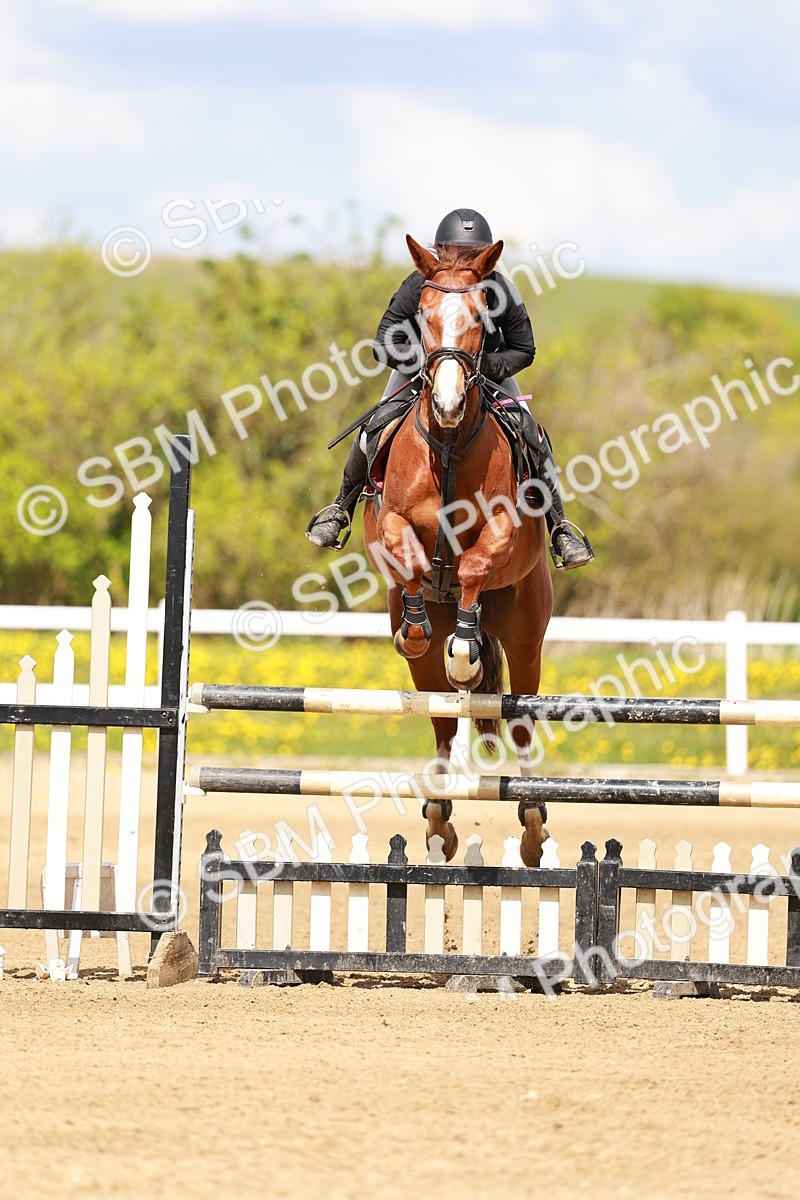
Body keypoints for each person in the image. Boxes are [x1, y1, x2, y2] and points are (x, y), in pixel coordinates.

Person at [306, 208, 593, 569]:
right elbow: (384, 343)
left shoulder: (499, 288)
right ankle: (340, 508)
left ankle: (559, 529)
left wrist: (479, 365)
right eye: (455, 254)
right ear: (439, 252)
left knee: (530, 431)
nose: (462, 263)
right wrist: (434, 364)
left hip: (483, 370)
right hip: (421, 368)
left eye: (473, 257)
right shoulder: (418, 284)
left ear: (486, 258)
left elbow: (524, 348)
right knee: (375, 427)